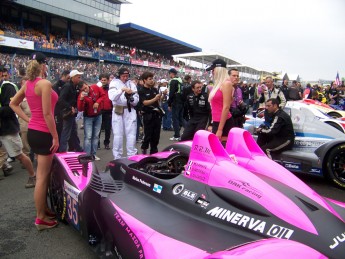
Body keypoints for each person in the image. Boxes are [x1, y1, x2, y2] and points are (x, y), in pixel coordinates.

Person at [10, 52, 59, 230]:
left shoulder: (28, 84)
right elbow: (47, 114)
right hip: (44, 133)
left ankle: (43, 208)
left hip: (34, 132)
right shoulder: (44, 83)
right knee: (42, 177)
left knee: (42, 175)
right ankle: (40, 218)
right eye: (46, 64)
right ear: (43, 65)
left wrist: (28, 120)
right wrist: (55, 136)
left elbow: (13, 104)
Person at [108, 67, 139, 159]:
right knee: (118, 134)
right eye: (123, 76)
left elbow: (136, 99)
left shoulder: (132, 84)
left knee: (131, 134)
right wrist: (122, 90)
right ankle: (117, 157)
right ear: (119, 75)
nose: (125, 78)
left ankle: (132, 155)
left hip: (129, 109)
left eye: (127, 76)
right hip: (118, 109)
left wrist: (131, 98)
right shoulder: (114, 83)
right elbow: (112, 97)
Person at [207, 60, 235, 141]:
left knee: (221, 149)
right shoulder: (218, 84)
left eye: (213, 70)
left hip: (224, 123)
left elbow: (226, 107)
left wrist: (220, 129)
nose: (212, 72)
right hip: (217, 121)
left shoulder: (226, 84)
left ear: (219, 70)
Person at [57, 69, 84, 152]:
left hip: (71, 113)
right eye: (78, 77)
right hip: (67, 112)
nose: (80, 79)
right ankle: (62, 150)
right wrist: (70, 107)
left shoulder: (73, 86)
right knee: (66, 133)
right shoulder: (68, 86)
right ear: (73, 77)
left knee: (73, 132)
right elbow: (61, 99)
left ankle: (77, 148)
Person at [77, 81, 105, 159]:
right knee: (88, 137)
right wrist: (81, 99)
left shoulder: (95, 87)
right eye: (83, 89)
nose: (85, 90)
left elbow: (103, 95)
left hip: (98, 115)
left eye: (85, 88)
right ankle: (87, 155)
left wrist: (98, 102)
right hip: (88, 117)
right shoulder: (82, 95)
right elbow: (80, 109)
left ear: (87, 84)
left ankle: (93, 154)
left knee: (96, 136)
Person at [138, 71, 162, 154]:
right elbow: (144, 102)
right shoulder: (141, 91)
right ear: (144, 80)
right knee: (148, 135)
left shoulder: (155, 89)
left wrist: (161, 97)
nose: (152, 80)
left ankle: (154, 152)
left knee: (156, 136)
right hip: (148, 115)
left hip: (157, 115)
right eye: (150, 79)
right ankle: (144, 150)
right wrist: (155, 99)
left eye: (152, 79)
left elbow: (158, 102)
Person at [52, 70, 70, 140]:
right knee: (59, 130)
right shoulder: (56, 86)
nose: (69, 80)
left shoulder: (69, 85)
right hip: (58, 111)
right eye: (68, 78)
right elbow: (57, 99)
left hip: (66, 111)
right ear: (63, 76)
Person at [167, 68, 184, 141]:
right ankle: (190, 131)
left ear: (172, 73)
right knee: (181, 118)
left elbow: (171, 93)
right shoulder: (180, 80)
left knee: (175, 119)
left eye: (169, 73)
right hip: (180, 101)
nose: (169, 75)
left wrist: (169, 103)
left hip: (175, 101)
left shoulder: (173, 81)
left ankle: (177, 135)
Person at [98, 73, 112, 150]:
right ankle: (98, 143)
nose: (103, 81)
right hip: (100, 111)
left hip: (108, 111)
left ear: (108, 80)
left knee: (107, 129)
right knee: (99, 129)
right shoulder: (98, 88)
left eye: (105, 80)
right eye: (102, 80)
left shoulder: (111, 89)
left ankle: (106, 143)